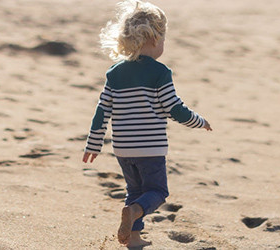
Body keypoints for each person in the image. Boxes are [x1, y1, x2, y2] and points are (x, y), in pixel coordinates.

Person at [81, 0, 212, 247]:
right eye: (163, 39)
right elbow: (174, 109)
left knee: (134, 191)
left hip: (123, 149)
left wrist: (93, 144)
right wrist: (200, 121)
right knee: (157, 192)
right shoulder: (160, 72)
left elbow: (102, 110)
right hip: (150, 149)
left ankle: (134, 238)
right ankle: (134, 212)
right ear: (153, 39)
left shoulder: (115, 73)